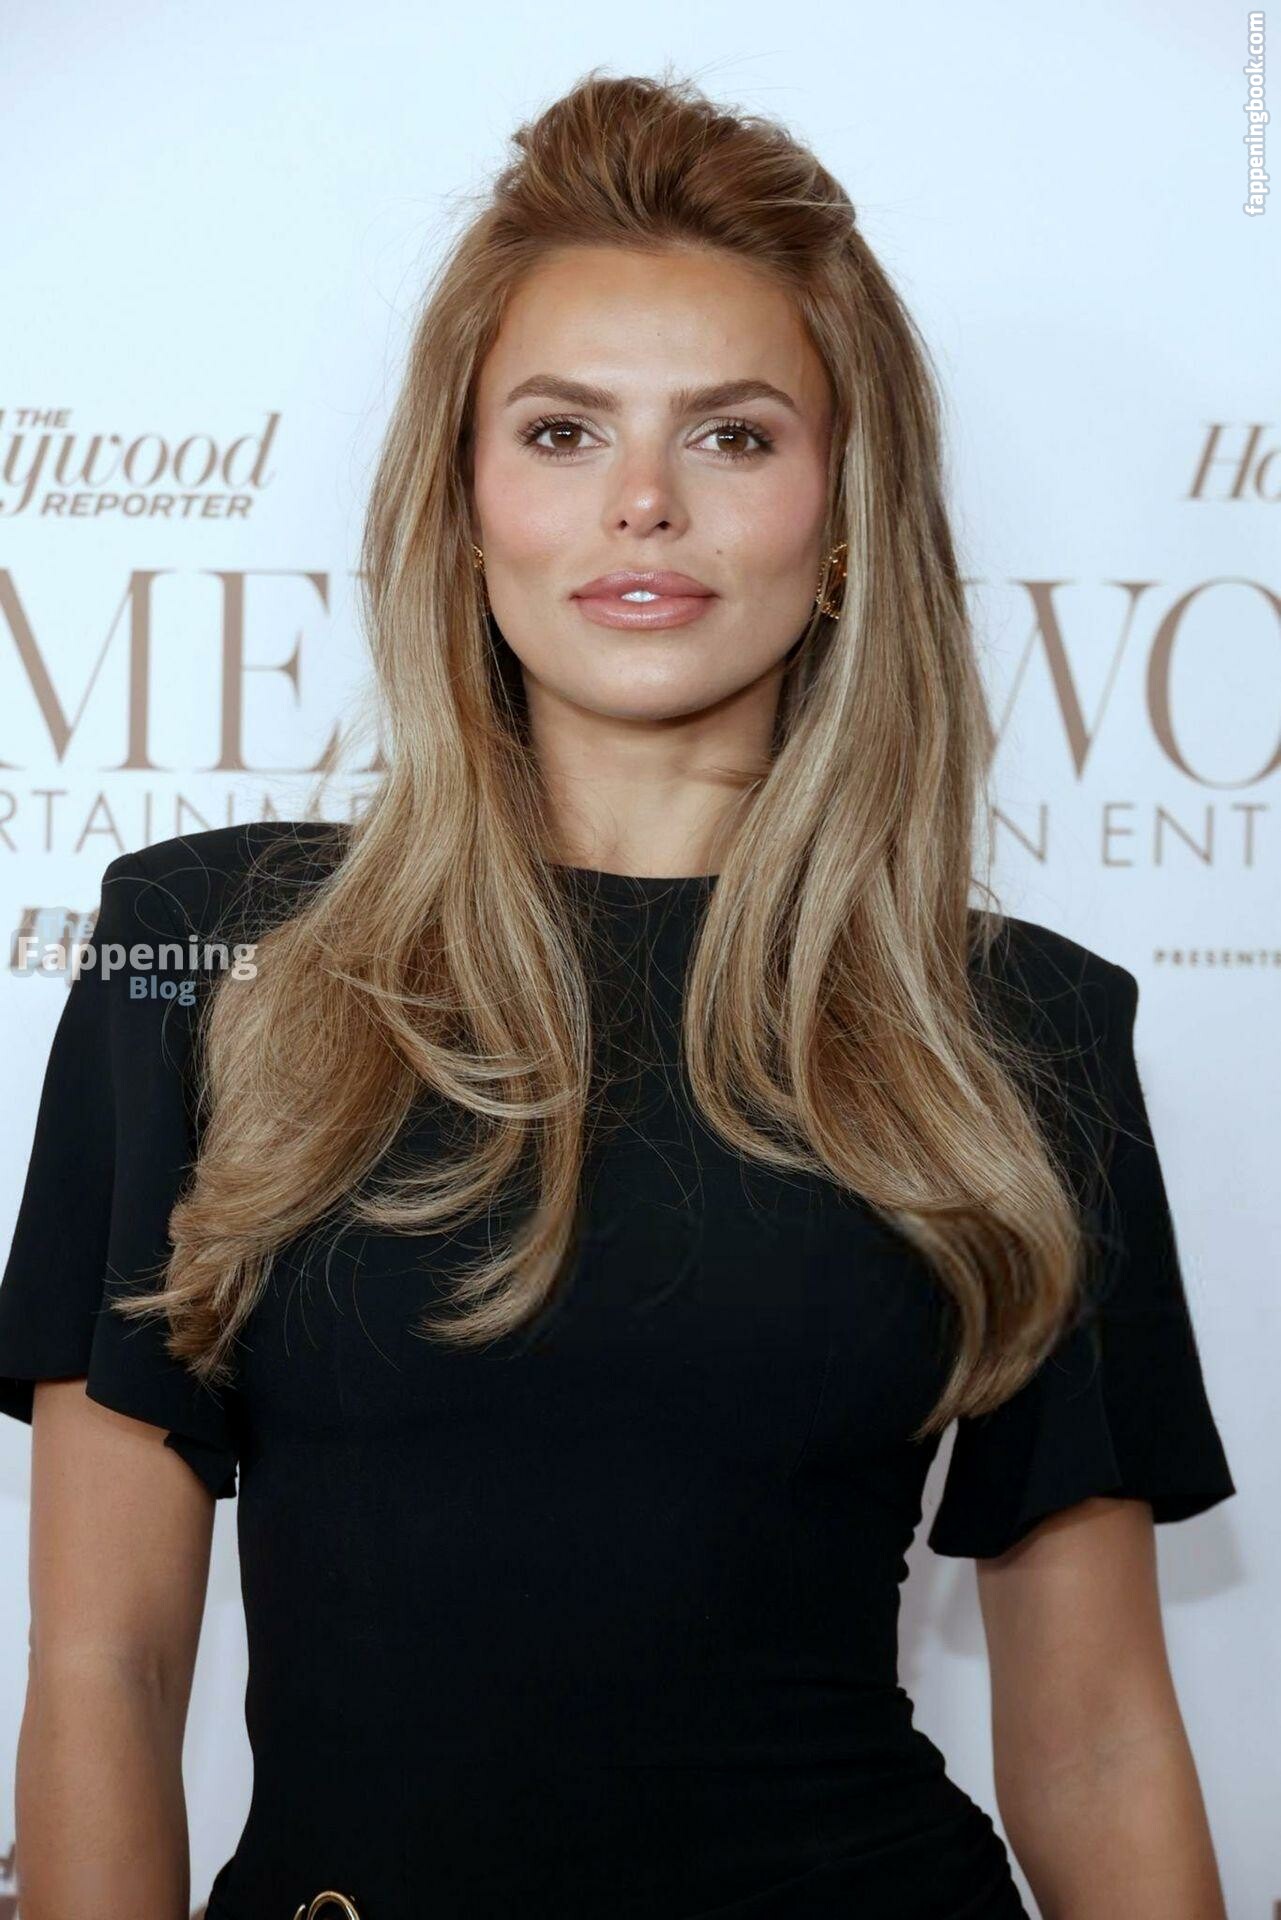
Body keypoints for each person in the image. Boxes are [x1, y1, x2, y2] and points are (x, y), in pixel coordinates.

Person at [0, 68, 1236, 1920]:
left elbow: (1098, 1742)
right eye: (563, 431)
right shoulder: (210, 952)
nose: (642, 504)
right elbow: (104, 1664)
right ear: (463, 499)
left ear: (840, 515)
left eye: (732, 435)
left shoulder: (1015, 1029)